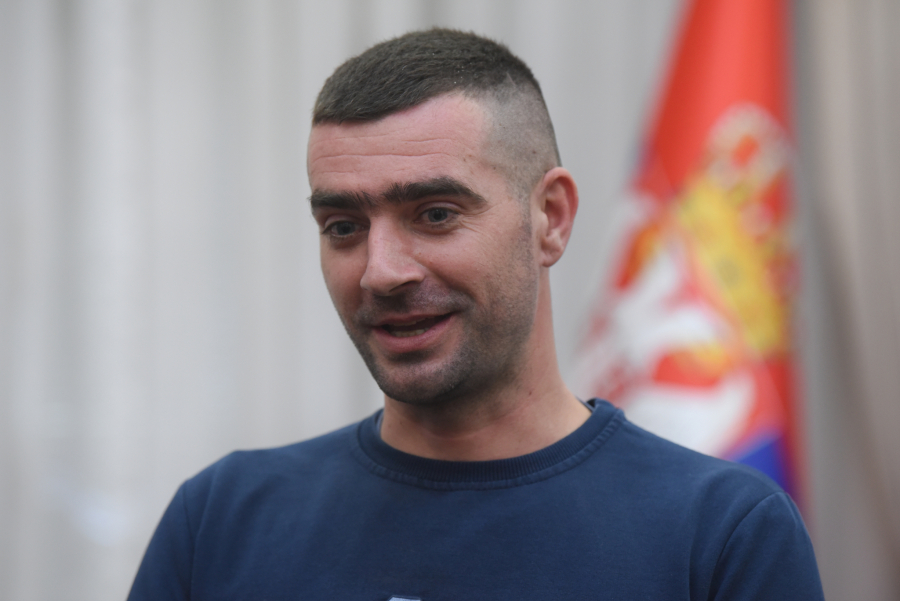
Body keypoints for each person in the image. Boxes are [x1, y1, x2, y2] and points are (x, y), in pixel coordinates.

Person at [128, 29, 823, 600]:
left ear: (550, 218)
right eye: (343, 226)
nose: (381, 271)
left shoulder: (722, 534)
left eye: (435, 214)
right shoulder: (221, 522)